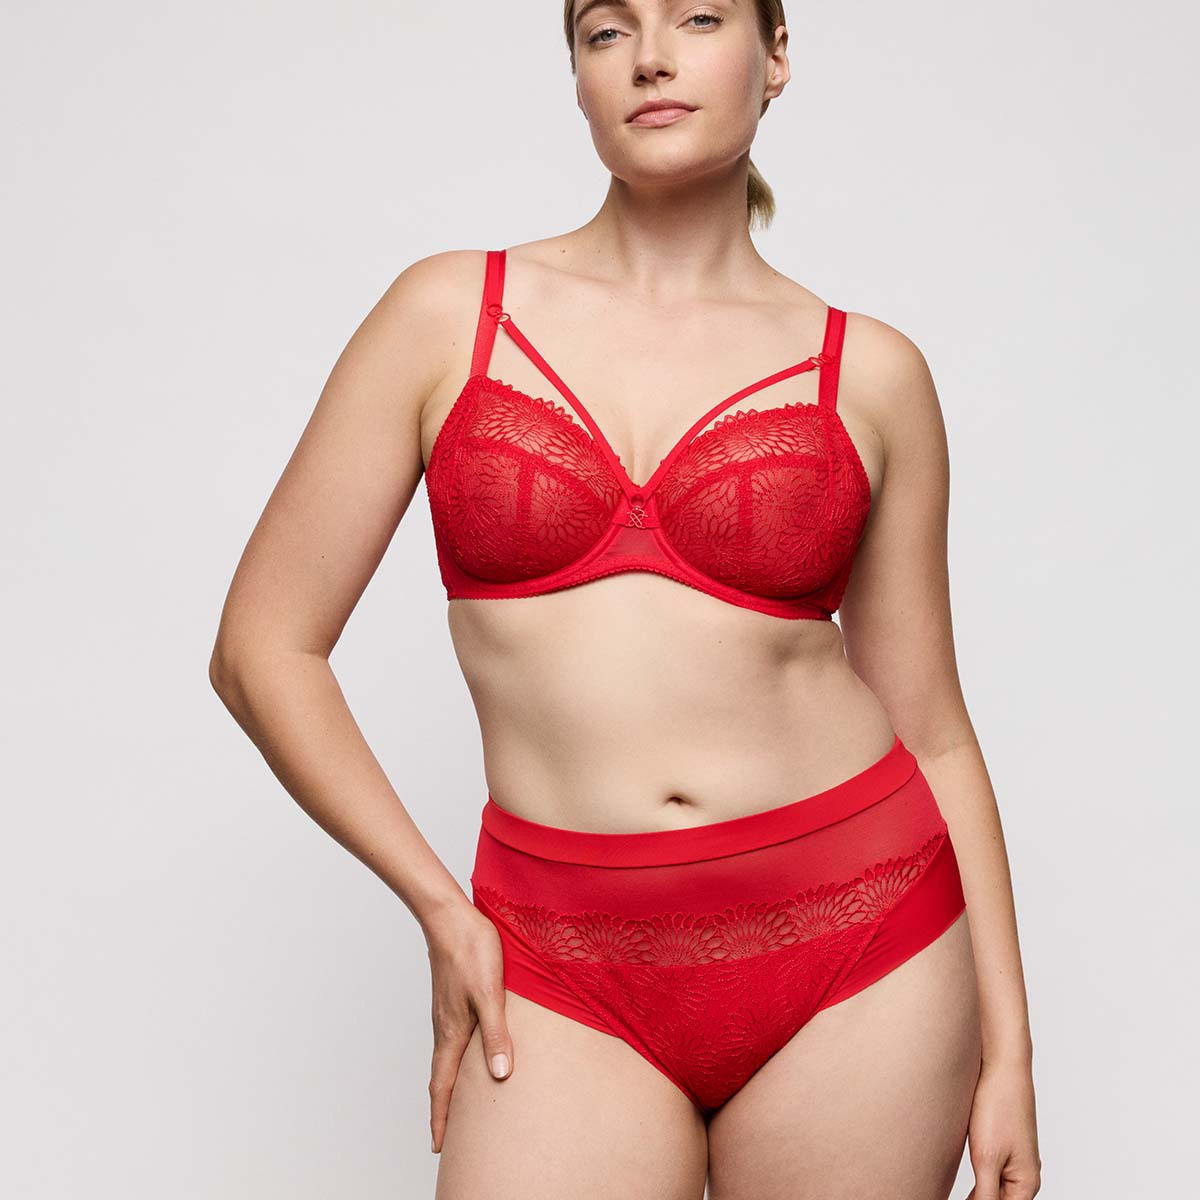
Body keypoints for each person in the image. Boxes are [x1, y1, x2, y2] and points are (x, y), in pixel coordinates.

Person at [209, 2, 1041, 1197]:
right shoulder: (446, 315)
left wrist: (1009, 1052)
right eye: (608, 30)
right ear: (579, 73)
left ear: (776, 57)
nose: (651, 56)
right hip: (556, 958)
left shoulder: (873, 372)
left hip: (860, 942)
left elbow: (934, 729)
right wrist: (441, 907)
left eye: (698, 16)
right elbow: (263, 648)